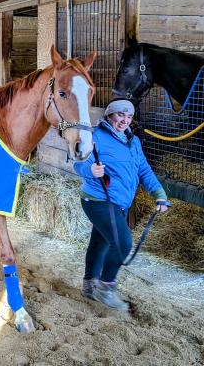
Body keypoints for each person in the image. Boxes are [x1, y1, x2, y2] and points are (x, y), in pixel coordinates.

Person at [73, 98, 170, 311]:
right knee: (123, 242)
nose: (124, 120)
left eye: (129, 116)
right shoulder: (96, 137)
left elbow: (143, 169)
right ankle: (105, 288)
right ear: (109, 116)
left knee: (101, 242)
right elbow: (78, 163)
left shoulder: (133, 141)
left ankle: (89, 286)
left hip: (118, 203)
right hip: (98, 200)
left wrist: (159, 193)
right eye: (120, 115)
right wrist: (90, 171)